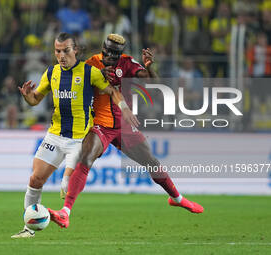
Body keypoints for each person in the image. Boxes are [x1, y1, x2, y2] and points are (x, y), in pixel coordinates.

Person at [50, 34, 204, 229]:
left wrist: (149, 68)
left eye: (112, 56)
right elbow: (76, 84)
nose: (108, 58)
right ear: (103, 50)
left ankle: (177, 198)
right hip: (100, 124)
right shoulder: (91, 64)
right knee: (85, 158)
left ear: (119, 55)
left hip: (125, 126)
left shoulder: (128, 64)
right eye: (106, 53)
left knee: (152, 162)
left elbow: (153, 86)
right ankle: (65, 212)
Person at [11, 32, 138, 238]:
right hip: (55, 135)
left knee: (66, 183)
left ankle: (64, 212)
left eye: (66, 50)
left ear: (75, 50)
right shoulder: (51, 72)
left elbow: (113, 91)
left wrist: (124, 108)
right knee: (35, 180)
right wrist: (27, 97)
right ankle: (28, 228)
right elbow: (36, 100)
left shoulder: (90, 72)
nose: (61, 55)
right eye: (57, 51)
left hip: (79, 139)